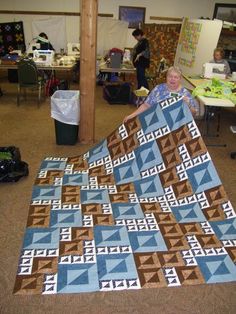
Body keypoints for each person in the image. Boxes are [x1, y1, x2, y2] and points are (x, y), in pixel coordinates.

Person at [124, 66, 198, 123]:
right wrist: (132, 115)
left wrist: (188, 105)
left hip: (175, 126)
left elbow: (193, 114)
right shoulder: (158, 89)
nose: (172, 79)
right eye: (170, 76)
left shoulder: (185, 94)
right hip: (156, 122)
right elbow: (146, 105)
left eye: (176, 77)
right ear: (166, 77)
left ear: (180, 79)